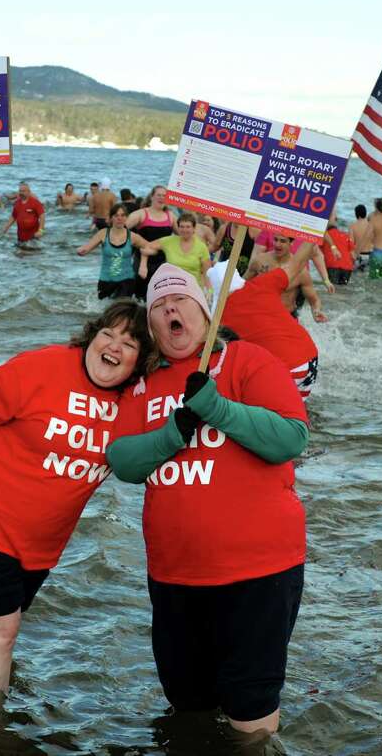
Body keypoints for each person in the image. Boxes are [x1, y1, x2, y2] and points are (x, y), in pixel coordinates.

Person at [107, 264, 310, 736]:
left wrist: (218, 408)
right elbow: (122, 460)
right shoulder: (144, 382)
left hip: (259, 572)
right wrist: (171, 434)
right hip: (175, 576)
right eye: (159, 306)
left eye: (180, 300)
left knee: (250, 716)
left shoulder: (247, 361)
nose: (170, 309)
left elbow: (290, 438)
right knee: (188, 708)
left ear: (205, 310)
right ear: (152, 327)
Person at [0, 299, 149, 705]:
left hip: (41, 544)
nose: (114, 346)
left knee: (1, 630)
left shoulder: (136, 403)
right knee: (1, 631)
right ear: (91, 338)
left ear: (140, 361)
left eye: (129, 343)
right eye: (108, 334)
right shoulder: (47, 366)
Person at [224, 239, 323, 400]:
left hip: (287, 319)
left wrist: (316, 310)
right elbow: (244, 282)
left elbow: (313, 297)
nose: (278, 244)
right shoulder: (260, 262)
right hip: (260, 321)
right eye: (275, 240)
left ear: (291, 244)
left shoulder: (300, 272)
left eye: (282, 241)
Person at [76, 204, 159, 299]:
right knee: (103, 309)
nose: (120, 218)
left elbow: (151, 249)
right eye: (116, 215)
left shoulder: (132, 236)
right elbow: (86, 248)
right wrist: (80, 250)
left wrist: (143, 263)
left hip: (126, 280)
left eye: (123, 215)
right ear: (111, 218)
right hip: (106, 279)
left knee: (121, 308)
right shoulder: (103, 233)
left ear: (126, 218)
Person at [153, 212, 212, 291]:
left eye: (188, 227)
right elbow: (147, 246)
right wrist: (143, 261)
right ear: (178, 227)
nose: (184, 230)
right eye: (182, 227)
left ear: (194, 228)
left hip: (192, 289)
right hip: (171, 287)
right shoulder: (169, 241)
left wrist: (209, 291)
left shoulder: (201, 247)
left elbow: (207, 272)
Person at [321, 214, 355, 285]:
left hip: (332, 265)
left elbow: (318, 253)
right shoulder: (345, 235)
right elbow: (352, 253)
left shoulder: (324, 236)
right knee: (343, 289)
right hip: (347, 267)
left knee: (333, 289)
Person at [349, 204, 373, 272]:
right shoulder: (371, 226)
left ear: (356, 214)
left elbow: (351, 244)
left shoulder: (352, 226)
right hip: (370, 255)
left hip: (359, 256)